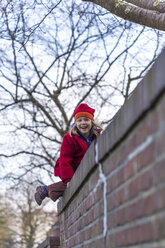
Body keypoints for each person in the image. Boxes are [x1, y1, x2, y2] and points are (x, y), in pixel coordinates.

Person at [34, 103, 102, 206]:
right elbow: (65, 159)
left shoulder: (96, 136)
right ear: (75, 123)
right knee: (72, 185)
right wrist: (69, 179)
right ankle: (45, 190)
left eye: (86, 119)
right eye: (79, 120)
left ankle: (45, 189)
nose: (83, 123)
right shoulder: (70, 138)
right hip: (69, 168)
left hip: (85, 167)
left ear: (91, 122)